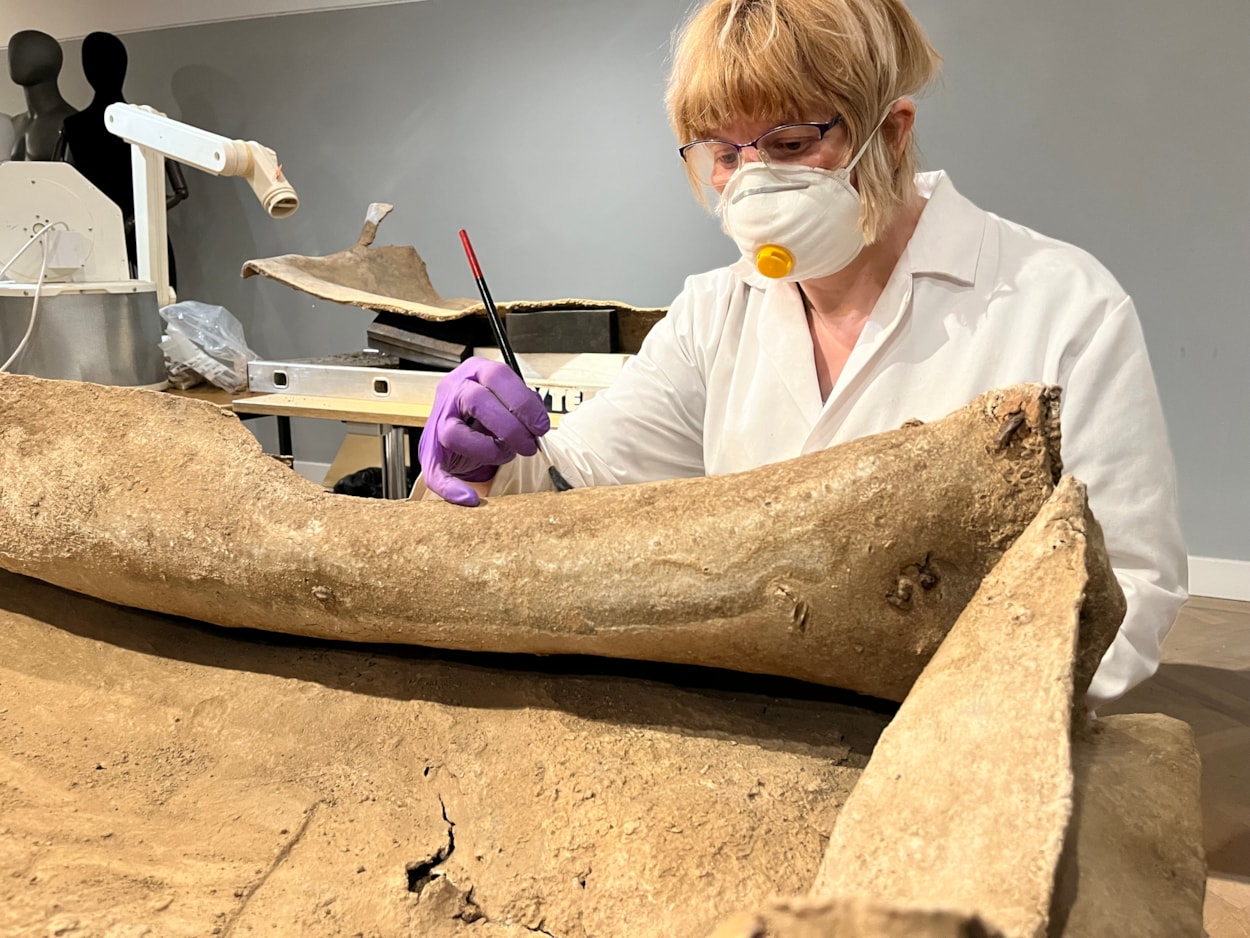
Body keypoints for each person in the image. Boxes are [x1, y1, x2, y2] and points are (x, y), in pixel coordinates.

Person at [415, 0, 1186, 708]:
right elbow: (578, 482)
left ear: (892, 132)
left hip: (969, 739)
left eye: (789, 143)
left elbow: (1131, 589)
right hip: (755, 727)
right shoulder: (715, 312)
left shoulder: (1061, 305)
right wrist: (486, 458)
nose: (753, 185)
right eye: (724, 155)